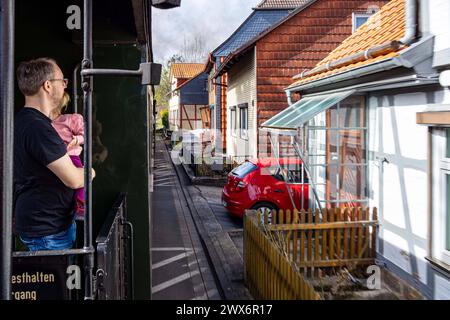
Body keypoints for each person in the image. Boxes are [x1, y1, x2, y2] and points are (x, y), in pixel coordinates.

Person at [14, 58, 95, 251]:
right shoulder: (38, 127)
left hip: (47, 225)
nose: (65, 85)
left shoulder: (26, 121)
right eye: (62, 81)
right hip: (47, 231)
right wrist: (90, 172)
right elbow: (74, 180)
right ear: (48, 85)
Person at [51, 92, 85, 219]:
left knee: (80, 175)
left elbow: (85, 134)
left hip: (71, 155)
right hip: (54, 157)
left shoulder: (70, 119)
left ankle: (80, 203)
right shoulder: (43, 123)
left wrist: (76, 140)